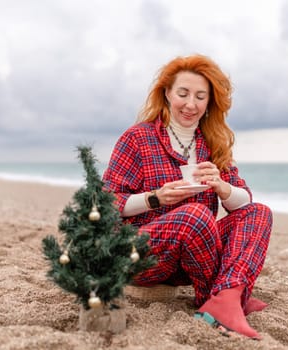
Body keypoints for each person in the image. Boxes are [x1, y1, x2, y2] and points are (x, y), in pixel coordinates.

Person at [102, 54, 273, 339]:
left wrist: (221, 186)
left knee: (259, 212)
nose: (190, 104)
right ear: (167, 93)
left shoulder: (212, 144)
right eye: (183, 93)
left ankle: (226, 298)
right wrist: (154, 198)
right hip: (142, 253)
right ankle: (226, 299)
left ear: (209, 103)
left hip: (193, 263)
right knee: (194, 215)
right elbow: (106, 203)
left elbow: (244, 202)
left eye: (200, 96)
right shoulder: (137, 138)